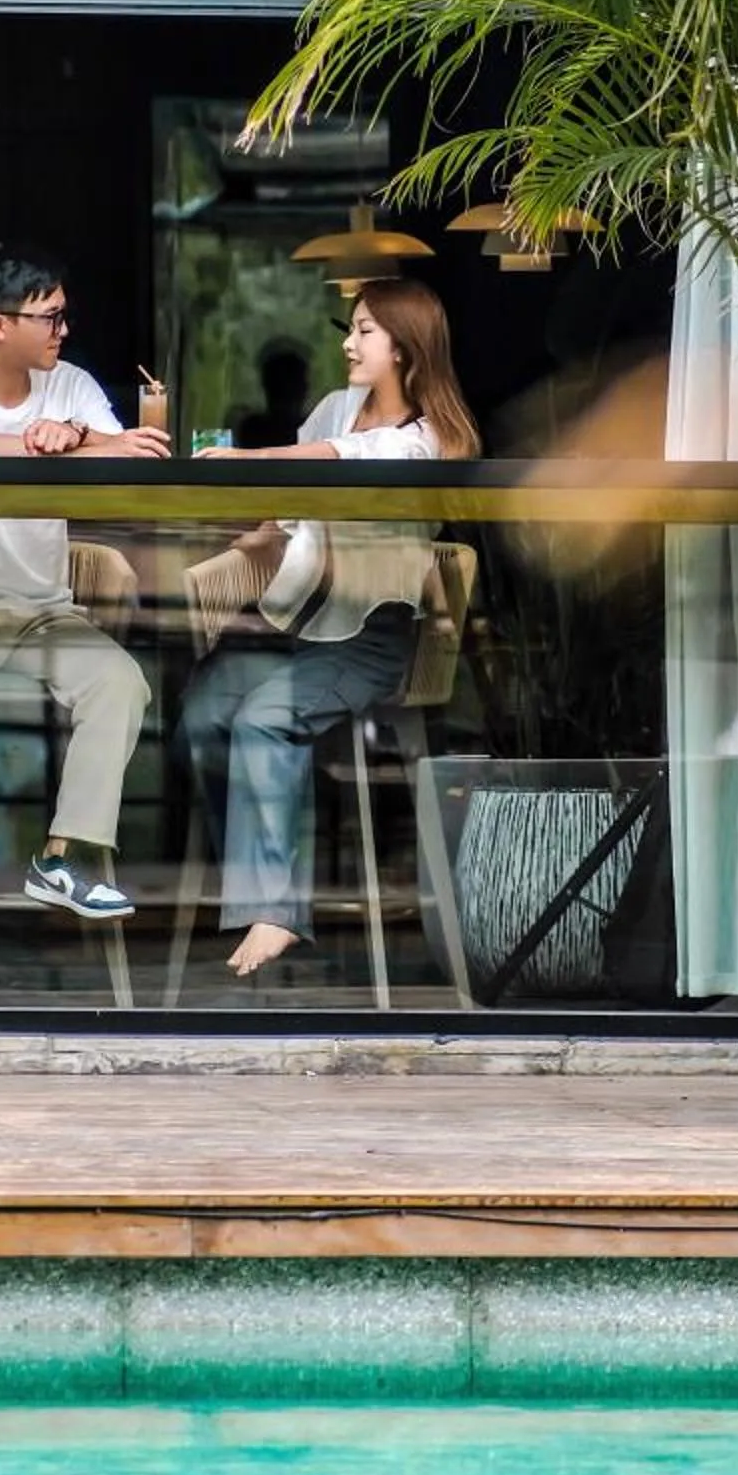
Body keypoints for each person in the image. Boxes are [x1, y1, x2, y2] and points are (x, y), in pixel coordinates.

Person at [175, 276, 479, 980]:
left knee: (264, 720)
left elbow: (335, 462)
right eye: (352, 328)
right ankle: (250, 882)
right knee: (201, 715)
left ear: (405, 347)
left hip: (372, 634)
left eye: (365, 330)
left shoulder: (427, 439)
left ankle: (276, 910)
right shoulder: (337, 406)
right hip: (300, 620)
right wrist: (263, 532)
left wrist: (244, 459)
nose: (349, 343)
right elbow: (297, 497)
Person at [0, 242, 169, 922]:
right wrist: (63, 444)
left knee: (121, 683)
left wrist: (73, 432)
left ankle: (62, 860)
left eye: (63, 316)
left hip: (46, 611)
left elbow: (132, 453)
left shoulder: (71, 386)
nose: (63, 330)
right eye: (50, 317)